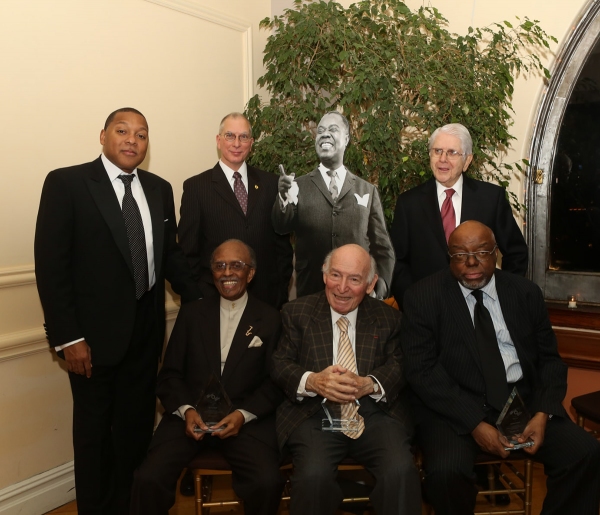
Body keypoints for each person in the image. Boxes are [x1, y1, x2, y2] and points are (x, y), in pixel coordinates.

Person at [34, 108, 200, 515]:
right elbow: (51, 267)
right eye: (122, 131)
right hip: (89, 342)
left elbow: (170, 258)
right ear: (103, 136)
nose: (132, 140)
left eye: (141, 135)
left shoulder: (159, 189)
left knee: (135, 432)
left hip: (144, 339)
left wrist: (209, 298)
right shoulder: (67, 183)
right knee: (93, 437)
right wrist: (69, 338)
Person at [400, 220, 600, 515]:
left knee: (584, 453)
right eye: (459, 254)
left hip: (523, 402)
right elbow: (422, 371)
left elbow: (550, 361)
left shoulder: (525, 293)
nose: (471, 262)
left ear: (496, 253)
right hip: (454, 408)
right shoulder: (423, 296)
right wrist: (474, 423)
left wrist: (543, 414)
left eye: (481, 252)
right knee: (446, 473)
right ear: (449, 257)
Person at [131, 239, 285, 515]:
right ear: (211, 272)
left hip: (246, 422)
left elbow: (275, 384)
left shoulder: (271, 319)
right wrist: (187, 410)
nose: (227, 273)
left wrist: (242, 414)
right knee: (148, 479)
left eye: (236, 265)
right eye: (220, 266)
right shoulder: (191, 315)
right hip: (190, 419)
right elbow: (169, 376)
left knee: (267, 482)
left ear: (250, 273)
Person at [271, 244, 420, 515]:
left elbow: (400, 363)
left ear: (370, 283)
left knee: (400, 471)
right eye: (335, 275)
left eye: (354, 279)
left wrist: (370, 383)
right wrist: (313, 380)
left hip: (375, 415)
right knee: (312, 477)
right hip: (314, 415)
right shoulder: (296, 312)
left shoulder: (389, 318)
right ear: (324, 275)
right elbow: (280, 364)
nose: (342, 287)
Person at [390, 123, 528, 307]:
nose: (443, 159)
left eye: (452, 152)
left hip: (480, 311)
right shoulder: (409, 203)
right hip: (427, 311)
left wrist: (502, 297)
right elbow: (396, 262)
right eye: (437, 151)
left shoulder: (490, 198)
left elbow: (516, 254)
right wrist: (413, 302)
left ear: (467, 160)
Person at [273, 111, 395, 299]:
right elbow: (281, 226)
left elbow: (383, 248)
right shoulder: (298, 186)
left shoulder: (367, 190)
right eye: (320, 130)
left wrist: (381, 286)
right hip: (311, 293)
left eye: (332, 129)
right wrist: (282, 197)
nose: (324, 134)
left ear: (346, 139)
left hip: (357, 297)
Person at [179, 112, 293, 309]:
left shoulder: (271, 184)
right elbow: (188, 253)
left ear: (251, 142)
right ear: (218, 140)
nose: (237, 143)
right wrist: (201, 298)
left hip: (265, 301)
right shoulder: (196, 188)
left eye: (243, 137)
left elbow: (282, 248)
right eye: (230, 136)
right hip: (215, 301)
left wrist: (279, 293)